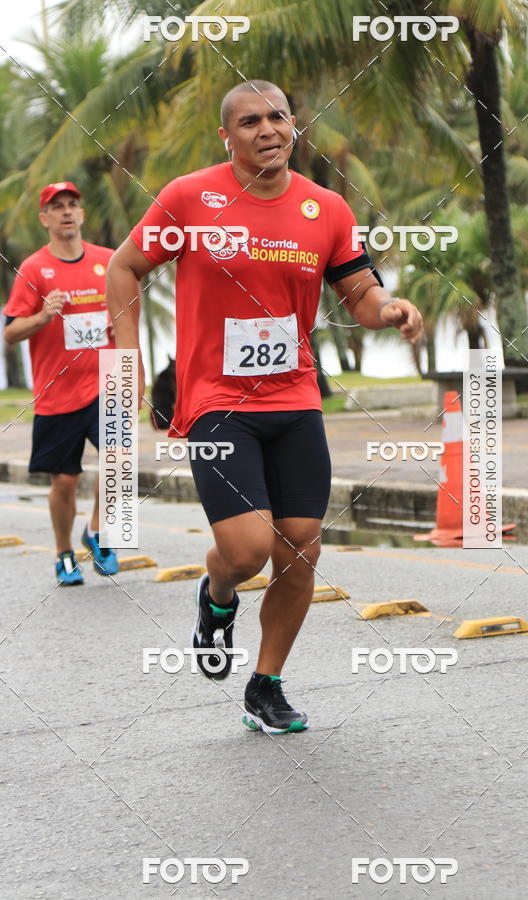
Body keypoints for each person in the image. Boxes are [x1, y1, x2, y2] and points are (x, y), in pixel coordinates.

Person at [106, 80, 423, 734]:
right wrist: (128, 360)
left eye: (278, 116)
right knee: (248, 549)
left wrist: (387, 309)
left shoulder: (326, 208)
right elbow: (123, 268)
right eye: (250, 121)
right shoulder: (191, 197)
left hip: (295, 396)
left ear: (294, 124)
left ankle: (266, 684)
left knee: (301, 547)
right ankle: (217, 596)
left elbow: (358, 290)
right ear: (229, 136)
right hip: (218, 403)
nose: (267, 129)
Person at [3, 182, 119, 585]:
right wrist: (42, 318)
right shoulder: (34, 269)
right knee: (64, 480)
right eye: (58, 207)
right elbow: (11, 332)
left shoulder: (109, 261)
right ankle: (64, 553)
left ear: (81, 214)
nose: (67, 212)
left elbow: (128, 314)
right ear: (45, 219)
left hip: (107, 381)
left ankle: (98, 531)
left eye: (73, 204)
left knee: (117, 462)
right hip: (58, 390)